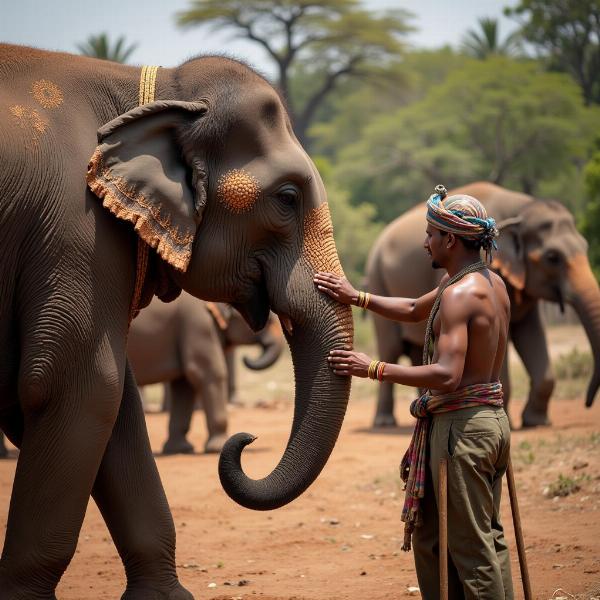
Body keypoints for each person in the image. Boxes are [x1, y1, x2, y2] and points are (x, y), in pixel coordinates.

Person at [314, 185, 514, 600]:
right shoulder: (487, 283)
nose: (425, 243)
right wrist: (357, 297)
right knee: (450, 539)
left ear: (451, 240)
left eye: (430, 234)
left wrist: (372, 368)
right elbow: (411, 310)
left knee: (471, 549)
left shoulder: (459, 295)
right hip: (489, 424)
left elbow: (446, 375)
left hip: (463, 432)